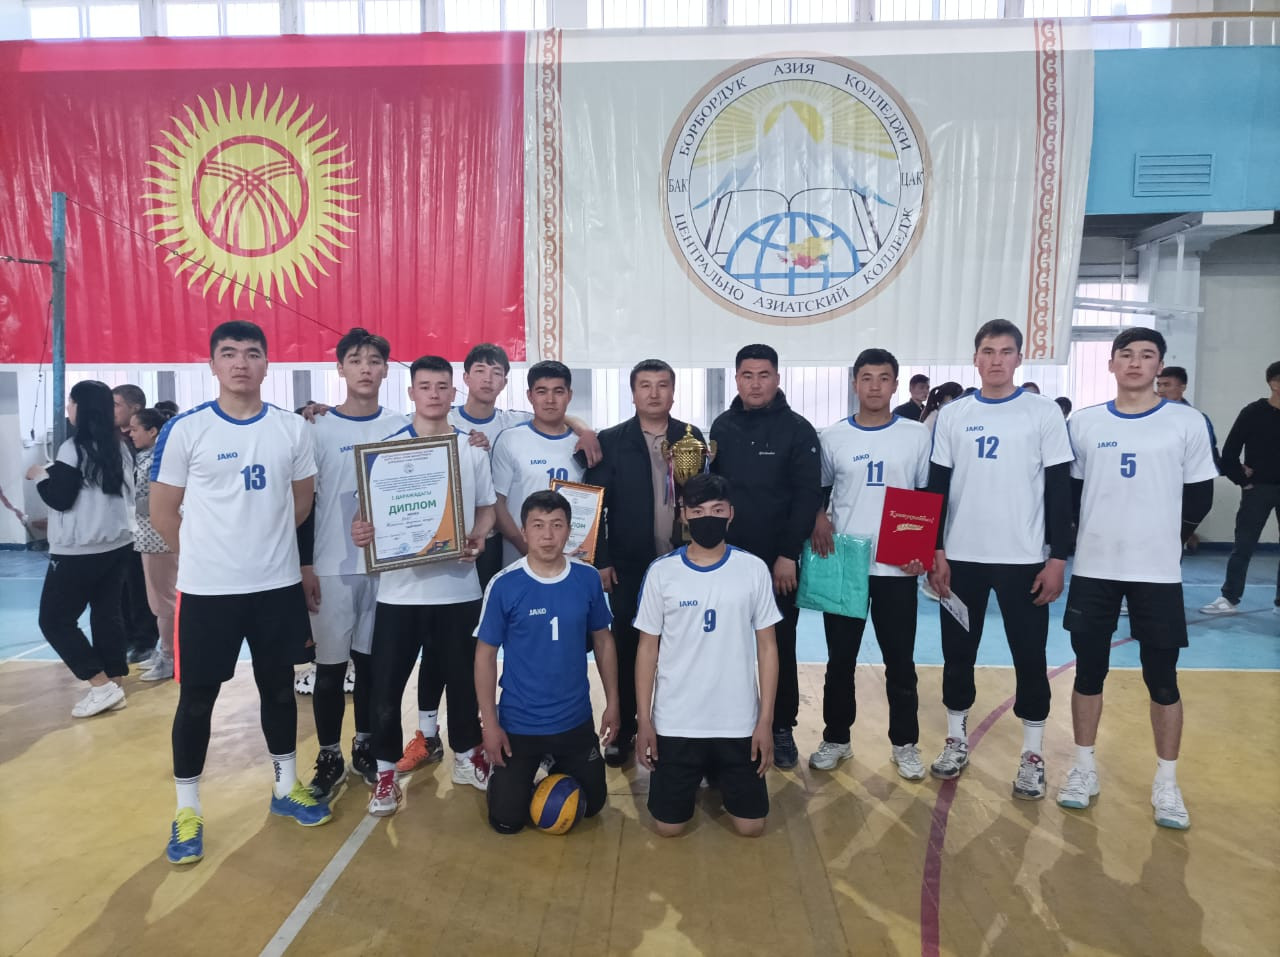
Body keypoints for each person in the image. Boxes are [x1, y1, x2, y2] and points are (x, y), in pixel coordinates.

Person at [151, 320, 330, 866]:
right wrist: (208, 556)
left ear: (266, 364)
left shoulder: (290, 429)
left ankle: (285, 787)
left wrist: (263, 548)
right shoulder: (186, 430)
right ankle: (187, 810)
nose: (240, 363)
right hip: (208, 593)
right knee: (197, 701)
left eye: (252, 353)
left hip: (275, 588)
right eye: (228, 354)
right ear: (212, 364)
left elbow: (301, 503)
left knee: (278, 691)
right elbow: (163, 511)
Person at [391, 345, 601, 777]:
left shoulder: (510, 422)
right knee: (450, 650)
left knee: (523, 646)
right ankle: (429, 733)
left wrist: (586, 429)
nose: (488, 379)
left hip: (498, 550)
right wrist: (525, 545)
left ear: (507, 381)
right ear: (463, 380)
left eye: (497, 372)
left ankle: (529, 733)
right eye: (479, 371)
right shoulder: (440, 417)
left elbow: (559, 414)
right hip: (483, 553)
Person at [1056, 328, 1217, 828]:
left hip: (1157, 574)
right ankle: (1084, 769)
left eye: (1147, 356)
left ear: (1160, 367)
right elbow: (1070, 494)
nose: (1135, 363)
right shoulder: (1084, 423)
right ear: (1110, 364)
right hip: (1095, 569)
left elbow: (1201, 495)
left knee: (1162, 680)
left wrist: (1172, 538)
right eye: (1125, 354)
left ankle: (1167, 783)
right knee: (1088, 673)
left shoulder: (1186, 422)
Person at [926, 319, 1074, 800]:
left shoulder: (1043, 413)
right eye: (987, 351)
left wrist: (1058, 557)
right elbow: (937, 486)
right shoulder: (953, 415)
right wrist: (936, 549)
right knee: (957, 654)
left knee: (1030, 656)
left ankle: (1032, 754)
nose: (995, 360)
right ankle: (955, 739)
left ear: (1019, 358)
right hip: (961, 560)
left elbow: (1059, 490)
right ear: (975, 358)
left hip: (1024, 561)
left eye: (1005, 351)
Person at [351, 355, 496, 817]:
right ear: (411, 392)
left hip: (459, 589)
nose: (434, 394)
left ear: (453, 393)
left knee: (465, 682)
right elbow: (366, 517)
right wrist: (361, 531)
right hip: (399, 594)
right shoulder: (384, 452)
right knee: (387, 686)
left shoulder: (470, 449)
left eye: (442, 386)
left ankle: (466, 755)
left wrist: (479, 536)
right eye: (425, 386)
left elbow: (487, 508)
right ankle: (385, 773)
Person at [808, 349, 932, 780]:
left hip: (897, 567)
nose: (875, 386)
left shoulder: (916, 435)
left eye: (883, 378)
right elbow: (819, 492)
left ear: (895, 384)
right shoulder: (834, 436)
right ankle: (836, 738)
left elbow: (923, 497)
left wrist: (921, 550)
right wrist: (818, 517)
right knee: (839, 661)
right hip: (846, 563)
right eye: (866, 377)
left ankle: (905, 744)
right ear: (854, 384)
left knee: (901, 662)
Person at [634, 473, 781, 837]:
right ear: (683, 515)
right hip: (676, 720)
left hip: (737, 720)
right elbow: (647, 649)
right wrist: (645, 721)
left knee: (751, 827)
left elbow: (768, 647)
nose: (707, 518)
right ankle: (702, 775)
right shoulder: (662, 573)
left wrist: (764, 721)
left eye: (717, 509)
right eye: (697, 511)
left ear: (731, 513)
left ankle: (716, 774)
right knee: (668, 828)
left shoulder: (753, 569)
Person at [583, 358, 705, 767]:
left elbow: (704, 498)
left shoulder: (691, 437)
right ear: (633, 393)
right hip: (628, 566)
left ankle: (678, 730)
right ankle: (625, 729)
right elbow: (596, 505)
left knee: (683, 648)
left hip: (682, 564)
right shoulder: (611, 440)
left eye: (662, 385)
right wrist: (601, 559)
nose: (654, 393)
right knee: (627, 645)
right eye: (645, 385)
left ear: (674, 391)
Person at [475, 490, 619, 833]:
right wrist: (490, 725)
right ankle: (517, 775)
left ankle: (554, 767)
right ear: (524, 531)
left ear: (569, 529)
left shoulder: (587, 578)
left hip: (574, 720)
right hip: (520, 723)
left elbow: (603, 641)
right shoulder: (504, 584)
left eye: (557, 524)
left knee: (592, 806)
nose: (548, 535)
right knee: (506, 821)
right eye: (538, 525)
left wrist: (613, 703)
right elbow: (485, 655)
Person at [301, 328, 404, 799]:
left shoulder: (401, 426)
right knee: (329, 669)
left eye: (375, 361)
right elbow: (302, 503)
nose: (366, 368)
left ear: (386, 370)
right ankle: (328, 753)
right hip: (332, 567)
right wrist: (306, 565)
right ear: (340, 368)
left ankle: (364, 744)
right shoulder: (316, 428)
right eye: (357, 360)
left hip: (387, 570)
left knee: (372, 665)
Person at [709, 344, 821, 770]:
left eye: (764, 375)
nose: (755, 384)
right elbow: (714, 493)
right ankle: (728, 726)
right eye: (747, 375)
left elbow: (807, 497)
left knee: (779, 644)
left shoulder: (798, 430)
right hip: (728, 560)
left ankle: (780, 726)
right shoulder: (722, 427)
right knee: (726, 644)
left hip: (779, 563)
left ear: (777, 377)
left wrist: (788, 554)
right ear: (736, 378)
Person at [27, 379, 134, 717]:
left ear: (81, 408)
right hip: (118, 544)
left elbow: (61, 498)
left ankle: (100, 685)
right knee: (107, 614)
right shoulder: (119, 446)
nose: (68, 409)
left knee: (54, 621)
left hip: (80, 549)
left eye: (71, 403)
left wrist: (40, 475)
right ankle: (114, 682)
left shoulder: (72, 449)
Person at [1201, 360, 1280, 617]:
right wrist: (1242, 480)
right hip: (1258, 489)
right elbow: (1230, 452)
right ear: (1274, 383)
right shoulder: (1253, 412)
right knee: (1244, 545)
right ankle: (1229, 597)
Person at [491, 361, 588, 566]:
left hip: (573, 559)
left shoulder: (583, 444)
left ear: (569, 395)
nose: (550, 400)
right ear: (530, 396)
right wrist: (527, 548)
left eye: (558, 391)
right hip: (519, 560)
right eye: (542, 391)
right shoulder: (510, 439)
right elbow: (497, 504)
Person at [127, 406, 178, 681]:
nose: (130, 433)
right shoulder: (147, 458)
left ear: (153, 431)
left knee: (164, 603)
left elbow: (146, 502)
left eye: (135, 429)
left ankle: (170, 657)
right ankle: (166, 652)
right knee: (158, 602)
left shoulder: (156, 461)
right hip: (149, 539)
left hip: (158, 540)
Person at [113, 382, 160, 664]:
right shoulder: (113, 440)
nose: (112, 410)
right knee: (122, 587)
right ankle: (128, 636)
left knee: (145, 587)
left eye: (117, 404)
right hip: (121, 529)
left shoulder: (146, 450)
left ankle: (147, 640)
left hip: (148, 532)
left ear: (135, 408)